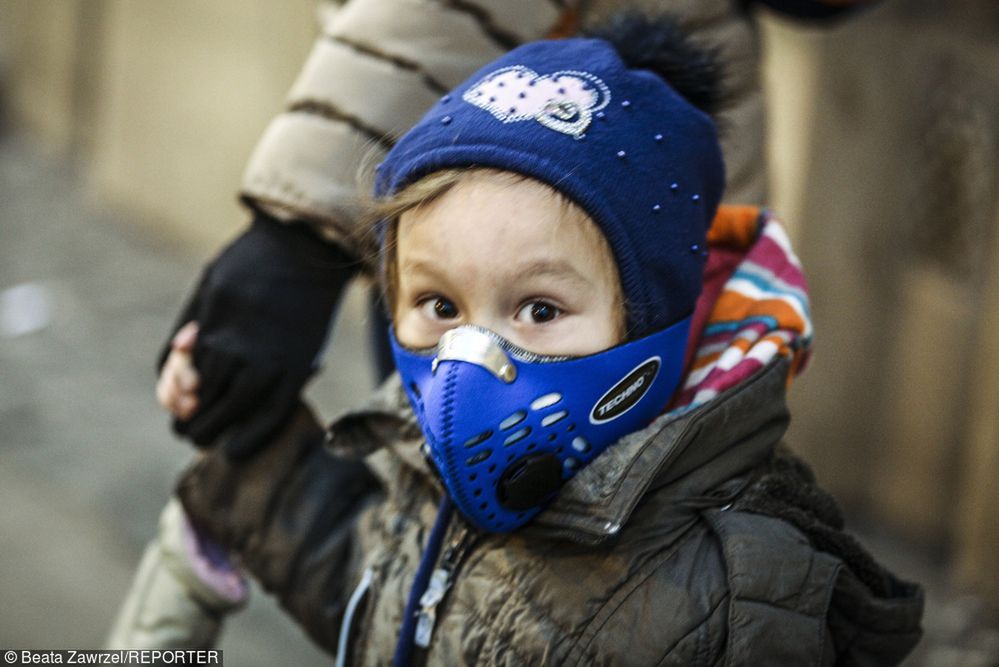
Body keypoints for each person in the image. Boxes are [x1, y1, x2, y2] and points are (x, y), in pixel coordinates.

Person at [110, 0, 883, 651]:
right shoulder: (420, 458)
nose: (468, 365)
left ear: (659, 327)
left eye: (538, 311)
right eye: (440, 306)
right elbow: (387, 596)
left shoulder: (727, 591)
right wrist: (252, 461)